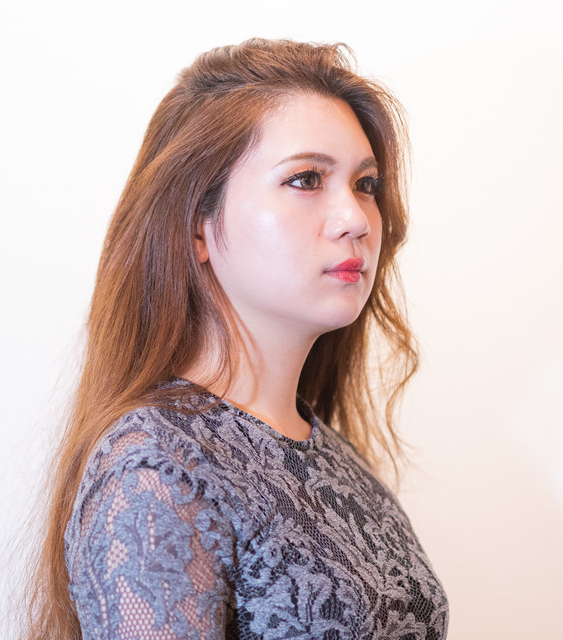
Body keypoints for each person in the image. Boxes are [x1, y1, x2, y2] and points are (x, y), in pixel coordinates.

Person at [25, 38, 449, 639]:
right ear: (197, 226)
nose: (356, 219)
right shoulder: (159, 467)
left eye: (366, 184)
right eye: (306, 179)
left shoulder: (331, 453)